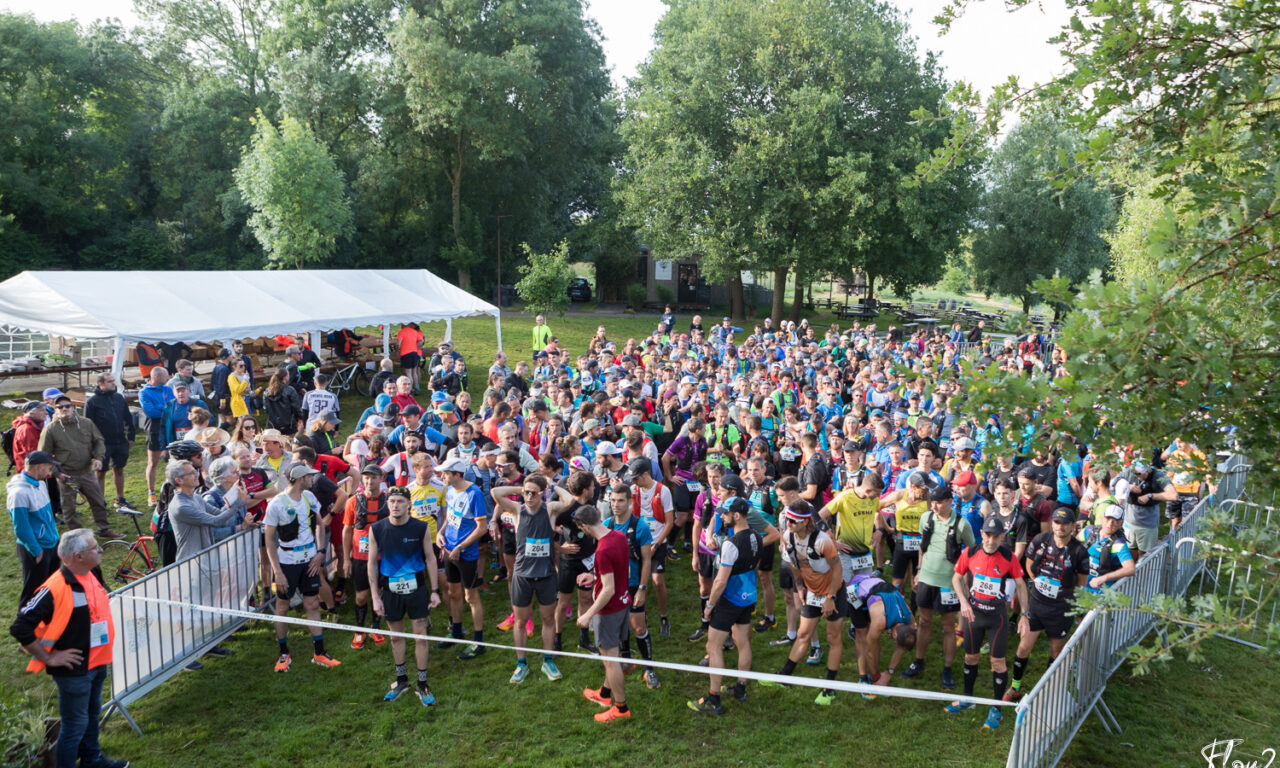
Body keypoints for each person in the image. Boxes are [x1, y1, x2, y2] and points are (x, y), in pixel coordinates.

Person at [10, 529, 129, 768]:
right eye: (94, 547)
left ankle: (91, 760)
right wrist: (49, 657)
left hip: (97, 662)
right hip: (75, 670)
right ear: (78, 556)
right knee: (75, 725)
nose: (101, 549)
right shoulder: (54, 587)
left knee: (91, 715)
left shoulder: (91, 572)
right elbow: (20, 626)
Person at [945, 516, 1029, 731]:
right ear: (981, 534)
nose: (991, 541)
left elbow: (1021, 584)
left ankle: (996, 708)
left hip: (996, 617)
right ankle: (968, 699)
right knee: (970, 657)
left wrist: (1024, 615)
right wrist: (963, 601)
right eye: (987, 535)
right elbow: (956, 578)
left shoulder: (1008, 557)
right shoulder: (970, 552)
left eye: (995, 537)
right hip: (974, 614)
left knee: (998, 662)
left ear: (1002, 537)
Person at [759, 499, 845, 704]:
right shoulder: (788, 536)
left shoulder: (822, 540)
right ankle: (785, 676)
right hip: (812, 591)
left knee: (833, 637)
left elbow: (838, 569)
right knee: (803, 634)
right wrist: (799, 588)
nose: (788, 524)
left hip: (833, 591)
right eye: (787, 519)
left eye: (793, 521)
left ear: (806, 522)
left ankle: (829, 687)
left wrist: (831, 598)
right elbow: (795, 564)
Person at [490, 474, 570, 684]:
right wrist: (521, 489)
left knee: (548, 619)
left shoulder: (549, 510)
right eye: (527, 493)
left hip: (545, 576)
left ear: (542, 494)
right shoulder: (518, 510)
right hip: (522, 576)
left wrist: (552, 485)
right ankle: (521, 663)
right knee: (520, 621)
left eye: (534, 493)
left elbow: (569, 500)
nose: (529, 497)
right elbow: (496, 493)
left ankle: (548, 661)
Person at [1005, 507, 1090, 702]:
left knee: (1055, 652)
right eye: (1057, 523)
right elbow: (1028, 564)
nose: (1060, 527)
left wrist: (1064, 595)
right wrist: (1036, 581)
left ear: (1072, 526)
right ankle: (1015, 687)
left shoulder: (1079, 551)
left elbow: (1082, 583)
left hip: (1061, 610)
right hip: (1037, 605)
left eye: (1065, 524)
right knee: (1023, 648)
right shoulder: (1040, 540)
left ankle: (1048, 691)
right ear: (1052, 524)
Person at [262, 463, 341, 672]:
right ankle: (283, 653)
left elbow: (320, 525)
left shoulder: (309, 497)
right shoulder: (277, 504)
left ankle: (319, 652)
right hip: (287, 562)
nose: (312, 479)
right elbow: (269, 540)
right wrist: (278, 572)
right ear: (300, 479)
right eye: (309, 476)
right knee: (282, 606)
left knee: (312, 603)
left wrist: (320, 552)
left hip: (309, 560)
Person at [368, 485, 441, 706]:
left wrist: (435, 591)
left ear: (409, 504)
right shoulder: (377, 529)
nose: (395, 505)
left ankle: (422, 682)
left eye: (400, 501)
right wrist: (375, 596)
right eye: (392, 501)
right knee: (395, 636)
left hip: (417, 589)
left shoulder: (420, 527)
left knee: (421, 636)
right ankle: (401, 680)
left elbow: (430, 558)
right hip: (390, 591)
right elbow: (372, 563)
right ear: (387, 504)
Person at [688, 496, 760, 714]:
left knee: (713, 646)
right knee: (743, 642)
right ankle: (740, 689)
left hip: (730, 599)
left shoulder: (731, 544)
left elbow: (720, 581)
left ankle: (714, 699)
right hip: (748, 596)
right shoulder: (756, 536)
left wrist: (709, 606)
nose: (721, 517)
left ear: (736, 516)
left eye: (725, 514)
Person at [901, 485, 974, 690]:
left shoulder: (962, 525)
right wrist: (918, 570)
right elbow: (922, 547)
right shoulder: (926, 518)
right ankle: (919, 661)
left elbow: (971, 552)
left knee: (948, 626)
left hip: (948, 583)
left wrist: (965, 580)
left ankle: (947, 668)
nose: (934, 506)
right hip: (926, 579)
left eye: (939, 503)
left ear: (950, 502)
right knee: (924, 621)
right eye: (932, 502)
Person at [574, 503, 633, 723]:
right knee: (611, 655)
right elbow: (620, 570)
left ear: (585, 526)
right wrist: (595, 576)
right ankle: (605, 693)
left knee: (610, 660)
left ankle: (620, 707)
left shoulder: (602, 550)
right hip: (623, 603)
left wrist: (588, 615)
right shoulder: (618, 536)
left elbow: (608, 590)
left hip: (609, 611)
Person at [38, 396, 118, 538]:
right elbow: (43, 455)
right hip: (67, 475)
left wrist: (99, 458)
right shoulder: (50, 429)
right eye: (60, 407)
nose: (64, 409)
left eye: (67, 406)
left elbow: (99, 441)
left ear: (73, 407)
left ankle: (104, 529)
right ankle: (77, 536)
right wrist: (56, 473)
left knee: (98, 501)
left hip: (86, 472)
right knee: (69, 508)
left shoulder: (86, 423)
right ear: (55, 410)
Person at [436, 456, 490, 659]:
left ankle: (478, 642)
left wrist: (461, 546)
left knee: (471, 597)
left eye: (445, 473)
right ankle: (456, 632)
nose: (442, 476)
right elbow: (450, 517)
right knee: (453, 592)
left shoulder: (474, 493)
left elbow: (481, 528)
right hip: (449, 550)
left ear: (457, 475)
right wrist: (441, 532)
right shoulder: (449, 490)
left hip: (466, 554)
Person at [846, 570, 916, 699]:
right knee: (863, 635)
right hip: (856, 588)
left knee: (875, 638)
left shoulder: (910, 620)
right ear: (894, 635)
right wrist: (876, 677)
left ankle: (876, 674)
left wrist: (888, 672)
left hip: (877, 589)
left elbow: (902, 647)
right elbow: (869, 651)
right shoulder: (880, 622)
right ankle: (863, 678)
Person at [625, 457, 675, 637]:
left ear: (645, 474)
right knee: (640, 582)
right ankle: (642, 617)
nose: (634, 482)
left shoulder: (663, 491)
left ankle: (664, 618)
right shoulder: (633, 490)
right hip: (639, 543)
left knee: (658, 581)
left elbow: (669, 522)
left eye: (636, 478)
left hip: (657, 541)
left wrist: (657, 543)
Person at [343, 465, 388, 649]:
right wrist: (346, 559)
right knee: (361, 596)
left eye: (373, 477)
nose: (369, 481)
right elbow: (347, 530)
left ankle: (375, 627)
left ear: (381, 479)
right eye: (366, 477)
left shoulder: (388, 500)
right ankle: (359, 629)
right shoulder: (353, 501)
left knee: (379, 592)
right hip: (360, 557)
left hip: (382, 557)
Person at [8, 451, 61, 606]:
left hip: (51, 545)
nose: (50, 471)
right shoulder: (18, 493)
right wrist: (37, 551)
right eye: (49, 467)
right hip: (36, 550)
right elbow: (21, 528)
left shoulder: (41, 484)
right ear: (39, 467)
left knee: (51, 589)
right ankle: (24, 621)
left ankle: (48, 617)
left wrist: (55, 540)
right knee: (33, 594)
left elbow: (48, 517)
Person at [84, 372, 134, 508]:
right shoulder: (92, 402)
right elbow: (87, 426)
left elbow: (128, 418)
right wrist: (92, 446)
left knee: (119, 469)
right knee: (100, 473)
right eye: (110, 381)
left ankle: (120, 499)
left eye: (113, 381)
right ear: (101, 384)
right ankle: (100, 502)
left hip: (120, 441)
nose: (113, 383)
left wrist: (131, 437)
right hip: (102, 444)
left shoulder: (119, 398)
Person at [1113, 460, 1176, 560]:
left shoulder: (1159, 476)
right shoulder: (1129, 471)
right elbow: (1113, 483)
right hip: (1129, 522)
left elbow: (1173, 495)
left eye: (1139, 473)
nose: (1136, 475)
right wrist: (1128, 486)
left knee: (1144, 556)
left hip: (1147, 524)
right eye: (1135, 473)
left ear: (1148, 470)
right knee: (1129, 552)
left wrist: (1150, 496)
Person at [1079, 503, 1136, 593]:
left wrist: (1104, 578)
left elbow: (1130, 569)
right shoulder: (1089, 531)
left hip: (1099, 592)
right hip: (1079, 587)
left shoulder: (1119, 544)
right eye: (1107, 518)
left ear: (1121, 524)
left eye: (1115, 521)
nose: (1110, 524)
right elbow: (1071, 546)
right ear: (1102, 518)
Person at [139, 367, 175, 506]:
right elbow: (151, 412)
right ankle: (151, 493)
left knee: (172, 460)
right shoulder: (144, 392)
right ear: (157, 377)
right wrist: (165, 409)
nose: (168, 378)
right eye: (165, 376)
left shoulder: (167, 389)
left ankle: (172, 490)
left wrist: (160, 407)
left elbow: (173, 407)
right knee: (153, 463)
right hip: (154, 429)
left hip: (169, 428)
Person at [263, 368, 303, 435]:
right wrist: (300, 418)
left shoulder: (267, 391)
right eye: (288, 374)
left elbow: (265, 409)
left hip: (272, 424)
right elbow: (296, 407)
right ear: (285, 377)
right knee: (289, 440)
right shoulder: (290, 390)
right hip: (289, 425)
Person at [396, 322, 425, 393]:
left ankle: (410, 389)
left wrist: (397, 351)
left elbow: (398, 344)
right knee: (414, 372)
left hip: (406, 354)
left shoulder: (401, 332)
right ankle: (416, 389)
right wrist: (416, 346)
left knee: (408, 373)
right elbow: (421, 340)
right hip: (414, 353)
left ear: (403, 324)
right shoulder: (414, 331)